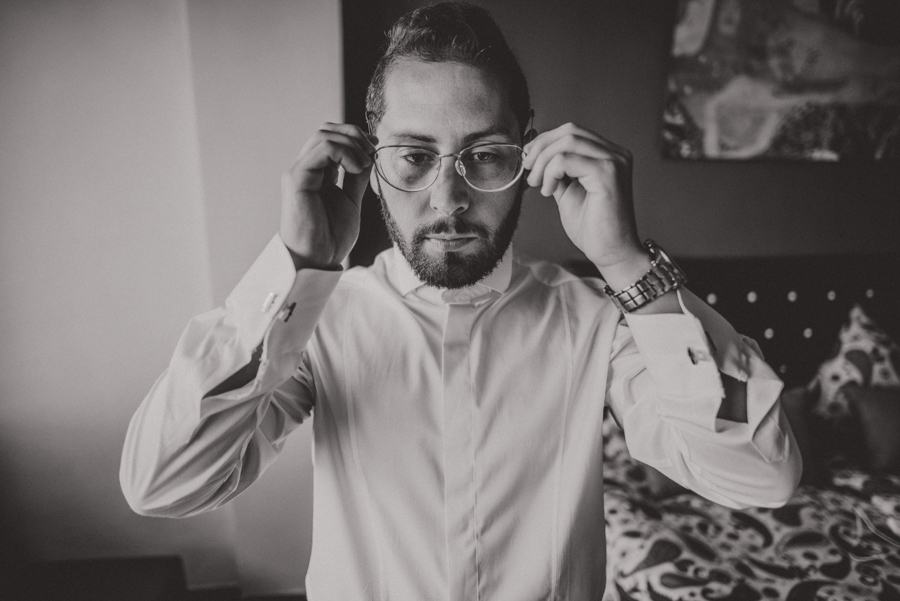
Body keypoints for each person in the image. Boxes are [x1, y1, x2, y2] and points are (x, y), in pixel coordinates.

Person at [120, 3, 802, 599]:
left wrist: (627, 263)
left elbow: (763, 476)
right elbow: (163, 483)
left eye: (484, 155)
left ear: (527, 156)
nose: (448, 199)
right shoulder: (315, 323)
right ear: (372, 166)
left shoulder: (595, 320)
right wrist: (296, 266)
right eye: (415, 156)